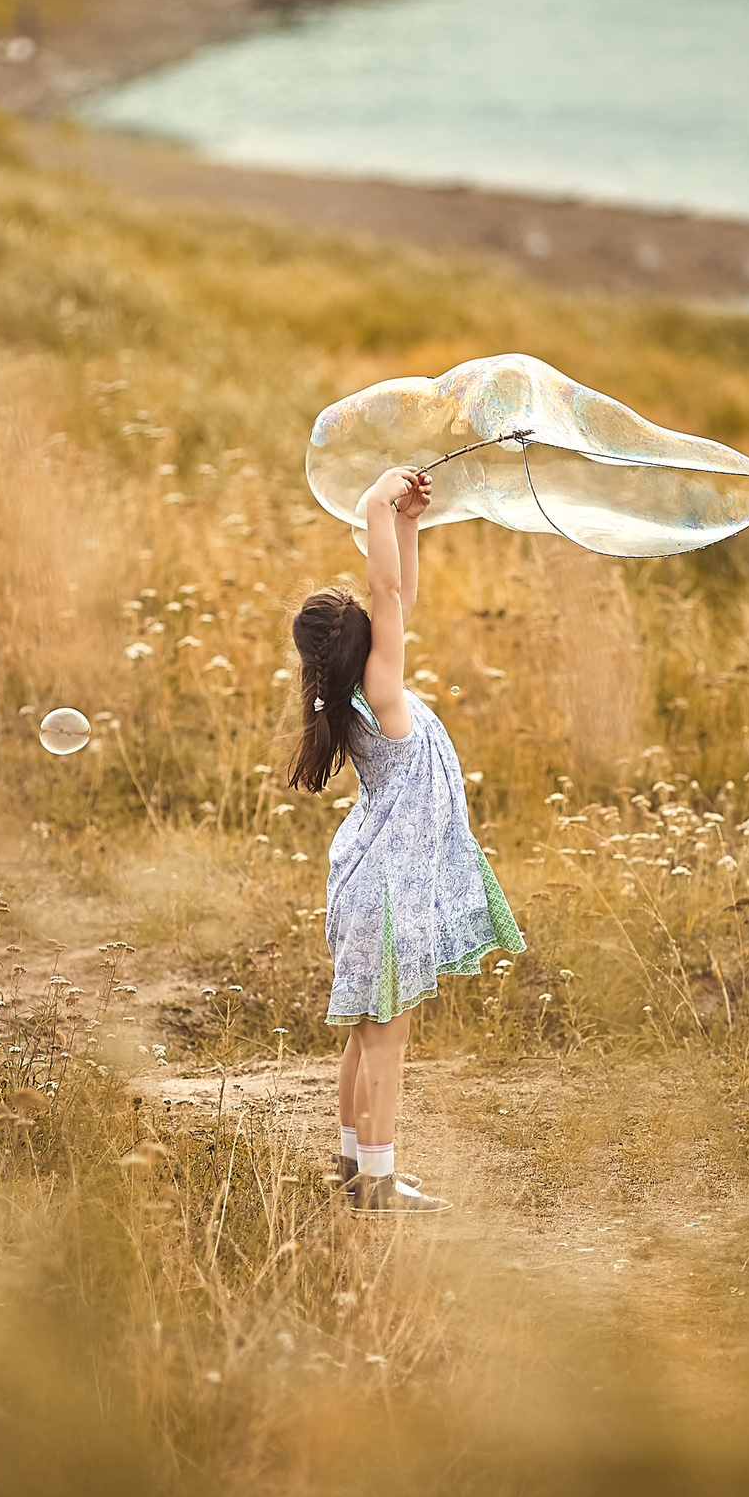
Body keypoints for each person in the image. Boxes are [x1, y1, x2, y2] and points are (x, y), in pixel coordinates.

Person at [289, 465, 524, 1216]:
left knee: (365, 1035)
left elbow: (399, 601)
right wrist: (372, 505)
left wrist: (408, 525)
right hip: (385, 887)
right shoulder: (379, 689)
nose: (381, 609)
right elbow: (389, 597)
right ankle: (378, 1185)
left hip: (368, 878)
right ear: (365, 641)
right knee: (384, 1042)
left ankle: (354, 1168)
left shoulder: (363, 688)